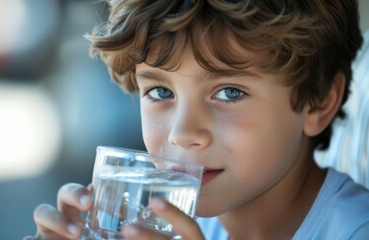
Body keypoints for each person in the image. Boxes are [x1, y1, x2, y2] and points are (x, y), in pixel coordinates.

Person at [25, 0, 369, 239]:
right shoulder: (170, 228)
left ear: (318, 102)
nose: (182, 133)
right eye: (161, 92)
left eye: (230, 92)